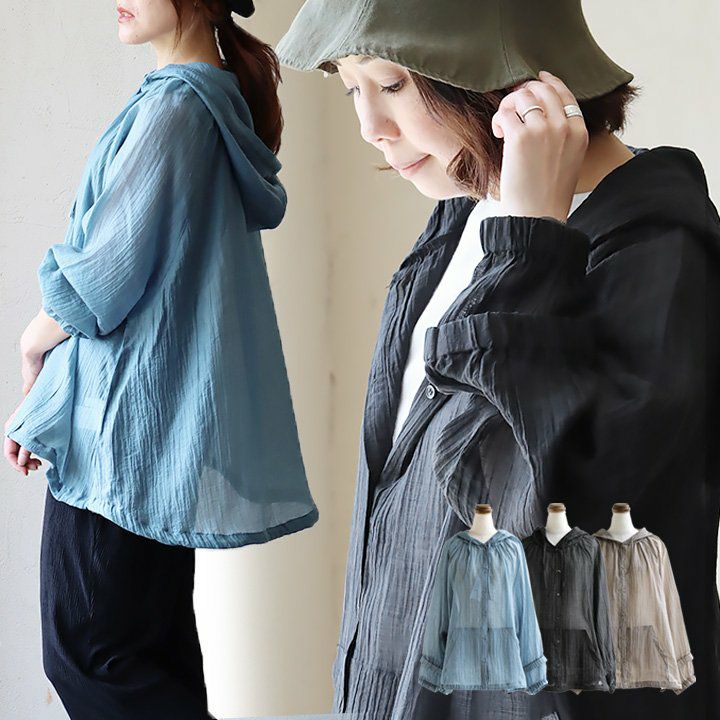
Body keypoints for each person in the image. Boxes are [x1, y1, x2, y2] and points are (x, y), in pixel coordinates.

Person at [276, 1, 720, 719]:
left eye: (392, 83)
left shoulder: (657, 254)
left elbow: (543, 535)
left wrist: (531, 243)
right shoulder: (467, 218)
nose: (370, 126)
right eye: (351, 86)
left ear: (506, 76)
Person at [3, 1, 319, 717]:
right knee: (147, 657)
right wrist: (49, 408)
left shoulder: (176, 110)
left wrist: (31, 341)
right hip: (155, 438)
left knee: (94, 656)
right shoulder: (206, 104)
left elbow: (104, 278)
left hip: (120, 441)